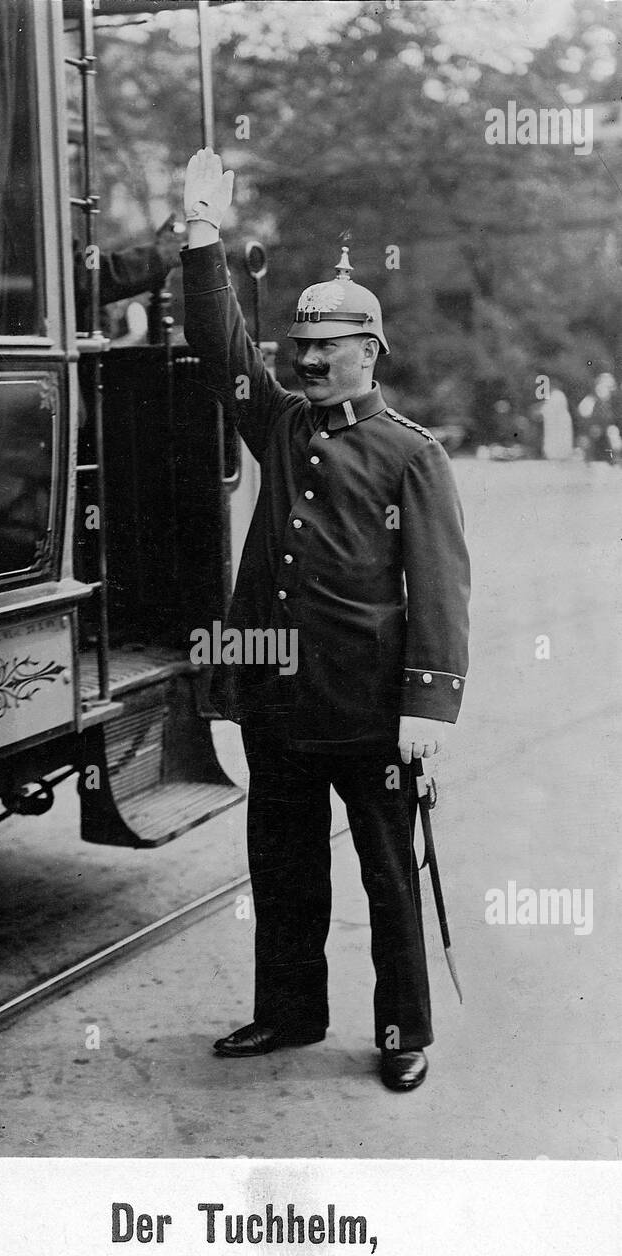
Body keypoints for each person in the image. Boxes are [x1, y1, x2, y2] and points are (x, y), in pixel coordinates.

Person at [181, 148, 470, 1091]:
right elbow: (223, 352)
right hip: (282, 704)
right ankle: (289, 1014)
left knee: (390, 879)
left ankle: (401, 1034)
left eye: (325, 349)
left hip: (371, 706)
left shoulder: (408, 456)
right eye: (296, 349)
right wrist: (201, 236)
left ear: (369, 354)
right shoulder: (279, 424)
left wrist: (427, 706)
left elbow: (438, 588)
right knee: (285, 871)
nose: (303, 362)